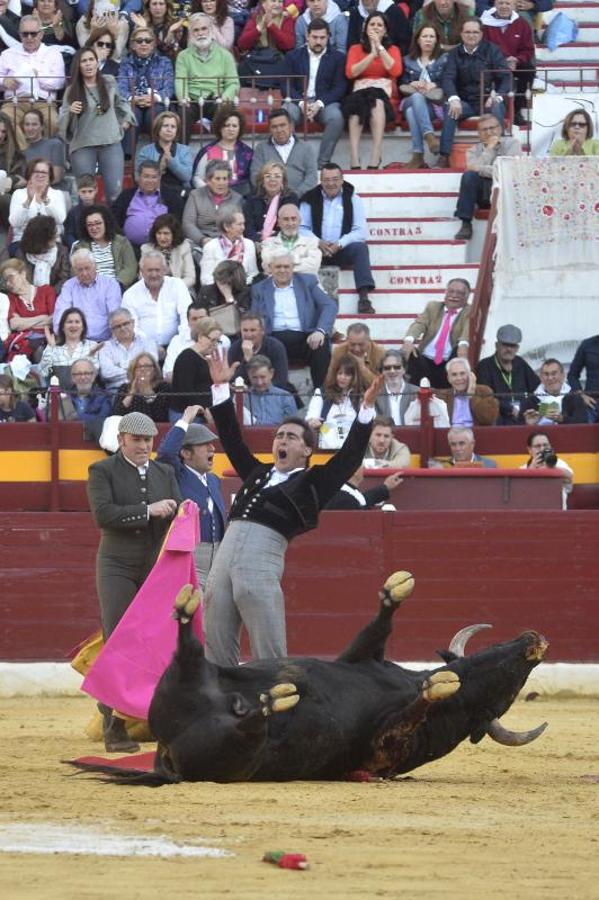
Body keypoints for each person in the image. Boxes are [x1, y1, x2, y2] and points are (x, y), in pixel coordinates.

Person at [202, 350, 383, 666]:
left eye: (290, 437)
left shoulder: (314, 482)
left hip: (263, 555)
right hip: (225, 554)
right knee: (214, 630)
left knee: (267, 645)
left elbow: (349, 458)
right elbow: (231, 440)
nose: (281, 441)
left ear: (307, 450)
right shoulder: (258, 473)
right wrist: (220, 391)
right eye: (279, 436)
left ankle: (275, 698)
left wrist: (365, 410)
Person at [87, 410, 181, 751]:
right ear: (121, 439)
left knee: (154, 643)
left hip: (155, 568)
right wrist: (148, 510)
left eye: (148, 440)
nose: (143, 445)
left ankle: (153, 717)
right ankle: (113, 725)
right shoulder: (102, 470)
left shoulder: (165, 471)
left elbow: (178, 515)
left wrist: (180, 513)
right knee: (118, 641)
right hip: (117, 566)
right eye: (137, 439)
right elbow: (104, 515)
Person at [156, 404, 226, 587]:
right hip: (191, 557)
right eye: (204, 445)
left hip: (218, 557)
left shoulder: (213, 480)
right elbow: (165, 453)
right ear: (186, 453)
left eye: (212, 444)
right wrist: (185, 419)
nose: (212, 449)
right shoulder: (177, 475)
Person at [58, 47, 136, 205]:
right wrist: (71, 112)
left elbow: (122, 103)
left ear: (97, 62)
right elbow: (62, 124)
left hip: (111, 142)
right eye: (83, 61)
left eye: (91, 60)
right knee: (86, 195)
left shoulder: (109, 81)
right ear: (78, 66)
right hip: (83, 145)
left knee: (115, 193)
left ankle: (113, 227)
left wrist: (126, 121)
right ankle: (85, 227)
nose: (88, 64)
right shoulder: (71, 90)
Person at [250, 251, 336, 389]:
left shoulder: (307, 282)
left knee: (321, 344)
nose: (282, 270)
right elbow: (254, 317)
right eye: (278, 267)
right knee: (264, 348)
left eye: (286, 266)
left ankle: (321, 395)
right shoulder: (259, 289)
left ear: (292, 268)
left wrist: (320, 330)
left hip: (305, 337)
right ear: (270, 268)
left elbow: (329, 305)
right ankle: (278, 394)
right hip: (273, 337)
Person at [300, 163, 376, 313]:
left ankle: (364, 298)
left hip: (341, 249)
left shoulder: (353, 199)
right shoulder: (309, 198)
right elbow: (302, 228)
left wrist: (339, 244)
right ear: (320, 181)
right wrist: (318, 242)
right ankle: (304, 300)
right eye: (326, 180)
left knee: (360, 248)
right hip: (317, 249)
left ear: (342, 180)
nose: (331, 183)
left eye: (335, 179)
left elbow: (360, 231)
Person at [437, 18, 509, 168]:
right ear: (462, 34)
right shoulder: (454, 53)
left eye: (475, 32)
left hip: (488, 100)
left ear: (481, 34)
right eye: (468, 32)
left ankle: (501, 154)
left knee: (497, 106)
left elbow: (506, 77)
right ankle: (444, 156)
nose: (471, 35)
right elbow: (448, 78)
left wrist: (498, 95)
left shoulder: (492, 50)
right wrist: (453, 98)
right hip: (465, 102)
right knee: (450, 109)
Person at [282, 18, 347, 170]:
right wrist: (301, 102)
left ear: (328, 37)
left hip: (324, 103)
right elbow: (285, 85)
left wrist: (319, 104)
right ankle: (291, 162)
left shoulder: (338, 58)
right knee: (286, 113)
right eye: (315, 37)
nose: (318, 41)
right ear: (307, 36)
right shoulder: (293, 56)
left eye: (322, 38)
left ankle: (322, 164)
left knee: (336, 117)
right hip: (298, 101)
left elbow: (340, 87)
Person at [343, 12, 403, 171]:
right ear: (365, 28)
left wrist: (380, 47)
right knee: (356, 105)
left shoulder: (393, 49)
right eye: (372, 24)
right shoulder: (355, 49)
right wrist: (371, 55)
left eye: (379, 25)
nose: (376, 28)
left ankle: (376, 155)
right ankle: (354, 157)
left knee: (376, 102)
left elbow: (396, 70)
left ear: (385, 31)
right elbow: (351, 72)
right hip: (360, 92)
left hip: (383, 94)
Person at [174, 13, 240, 142]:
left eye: (204, 28)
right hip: (192, 100)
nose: (200, 33)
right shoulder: (183, 56)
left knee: (225, 114)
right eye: (196, 30)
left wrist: (225, 98)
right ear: (190, 33)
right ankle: (181, 156)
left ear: (211, 30)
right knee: (182, 113)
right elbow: (180, 81)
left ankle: (222, 154)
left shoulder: (225, 55)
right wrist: (183, 98)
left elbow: (233, 83)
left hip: (217, 99)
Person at [454, 114, 521, 239]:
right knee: (469, 176)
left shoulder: (512, 144)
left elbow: (508, 171)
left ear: (500, 128)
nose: (489, 132)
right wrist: (489, 149)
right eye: (484, 130)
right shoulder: (473, 150)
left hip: (505, 191)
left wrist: (481, 169)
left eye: (492, 128)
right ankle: (466, 223)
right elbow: (472, 170)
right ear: (479, 133)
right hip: (484, 193)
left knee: (476, 172)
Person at [0, 14, 65, 139]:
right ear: (20, 35)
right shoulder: (7, 54)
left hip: (45, 102)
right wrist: (3, 81)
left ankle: (42, 156)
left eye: (33, 34)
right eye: (25, 34)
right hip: (14, 102)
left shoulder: (53, 54)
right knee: (5, 122)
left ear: (41, 34)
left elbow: (60, 82)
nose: (29, 38)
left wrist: (38, 76)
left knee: (53, 123)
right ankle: (25, 156)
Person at [402, 278, 471, 389]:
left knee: (458, 352)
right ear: (446, 292)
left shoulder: (469, 311)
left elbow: (467, 329)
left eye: (459, 293)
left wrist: (463, 345)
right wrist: (409, 340)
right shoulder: (433, 307)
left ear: (467, 296)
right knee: (408, 352)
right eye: (451, 291)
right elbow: (420, 323)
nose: (454, 295)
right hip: (425, 359)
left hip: (448, 361)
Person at [122, 250, 192, 354]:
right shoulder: (130, 294)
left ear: (165, 270)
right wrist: (151, 347)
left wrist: (177, 345)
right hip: (142, 349)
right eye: (149, 270)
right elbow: (132, 328)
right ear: (141, 271)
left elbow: (186, 317)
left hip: (178, 345)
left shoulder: (177, 285)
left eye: (157, 270)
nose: (154, 274)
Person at [117, 27, 174, 153]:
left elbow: (169, 88)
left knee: (154, 114)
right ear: (132, 45)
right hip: (133, 102)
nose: (144, 44)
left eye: (148, 41)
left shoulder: (164, 62)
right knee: (132, 114)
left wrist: (155, 98)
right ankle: (127, 158)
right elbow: (121, 88)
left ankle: (159, 154)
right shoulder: (125, 63)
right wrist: (133, 99)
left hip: (156, 102)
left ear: (153, 44)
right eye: (139, 41)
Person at [399, 23, 447, 169]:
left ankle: (418, 155)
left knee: (411, 112)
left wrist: (435, 84)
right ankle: (429, 135)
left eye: (431, 36)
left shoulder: (444, 59)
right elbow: (401, 83)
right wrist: (412, 83)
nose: (428, 40)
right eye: (424, 36)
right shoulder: (407, 60)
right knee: (416, 98)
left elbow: (450, 81)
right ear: (418, 40)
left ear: (436, 40)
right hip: (410, 98)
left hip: (433, 104)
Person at [481, 0, 535, 124]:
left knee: (528, 71)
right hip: (492, 64)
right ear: (495, 5)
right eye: (500, 3)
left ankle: (516, 111)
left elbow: (528, 49)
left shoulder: (522, 24)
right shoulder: (485, 23)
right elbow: (482, 48)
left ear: (514, 5)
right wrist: (500, 62)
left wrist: (517, 59)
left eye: (508, 3)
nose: (504, 6)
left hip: (514, 63)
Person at [53, 249, 122, 342]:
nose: (84, 273)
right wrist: (63, 338)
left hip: (105, 341)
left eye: (87, 268)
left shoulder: (110, 285)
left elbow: (115, 316)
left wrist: (112, 343)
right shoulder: (69, 286)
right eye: (80, 270)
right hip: (77, 341)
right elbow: (60, 314)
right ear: (74, 270)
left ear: (95, 266)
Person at [476, 323, 539, 425]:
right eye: (505, 345)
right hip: (498, 420)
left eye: (512, 346)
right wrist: (510, 409)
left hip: (523, 417)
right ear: (496, 345)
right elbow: (485, 397)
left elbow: (537, 389)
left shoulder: (520, 363)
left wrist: (529, 407)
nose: (509, 349)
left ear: (517, 348)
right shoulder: (484, 366)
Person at [249, 108, 318, 196]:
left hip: (300, 199)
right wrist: (272, 193)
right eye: (274, 127)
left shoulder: (306, 148)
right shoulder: (261, 148)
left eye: (282, 125)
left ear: (291, 126)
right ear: (270, 129)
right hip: (269, 199)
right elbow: (255, 177)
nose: (279, 130)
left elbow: (312, 178)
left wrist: (294, 196)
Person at [306, 352, 367, 449]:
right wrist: (313, 421)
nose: (342, 377)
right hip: (327, 439)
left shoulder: (360, 394)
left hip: (354, 444)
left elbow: (369, 420)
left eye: (347, 374)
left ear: (354, 376)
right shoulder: (321, 392)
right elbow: (310, 418)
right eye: (340, 373)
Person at [72, 204, 138, 290]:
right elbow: (75, 272)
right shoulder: (79, 246)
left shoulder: (122, 242)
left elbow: (130, 268)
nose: (94, 228)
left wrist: (115, 284)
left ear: (106, 223)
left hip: (117, 288)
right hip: (89, 289)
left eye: (98, 223)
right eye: (90, 225)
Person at [191, 104, 253, 196]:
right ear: (220, 127)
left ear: (239, 128)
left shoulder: (247, 153)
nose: (231, 129)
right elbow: (197, 178)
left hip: (240, 199)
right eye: (227, 125)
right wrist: (211, 191)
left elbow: (251, 182)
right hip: (210, 198)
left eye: (234, 126)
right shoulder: (207, 151)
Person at [2, 257, 56, 360]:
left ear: (23, 273)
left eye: (11, 278)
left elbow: (54, 319)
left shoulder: (46, 291)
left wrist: (24, 322)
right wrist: (43, 317)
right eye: (5, 281)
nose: (8, 284)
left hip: (47, 340)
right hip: (24, 344)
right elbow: (14, 324)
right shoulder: (11, 298)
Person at [182, 158, 243, 249]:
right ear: (208, 180)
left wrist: (227, 242)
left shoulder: (236, 198)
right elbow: (188, 224)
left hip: (228, 243)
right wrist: (202, 239)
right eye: (217, 179)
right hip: (200, 242)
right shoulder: (195, 195)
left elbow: (238, 225)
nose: (221, 183)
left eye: (224, 179)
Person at [170, 315, 221, 419]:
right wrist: (205, 411)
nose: (215, 345)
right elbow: (186, 391)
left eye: (218, 341)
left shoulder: (206, 358)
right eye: (213, 340)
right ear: (201, 337)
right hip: (188, 415)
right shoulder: (187, 358)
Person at [98, 308, 159, 394]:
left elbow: (150, 369)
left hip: (144, 390)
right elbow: (106, 373)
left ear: (133, 323)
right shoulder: (105, 347)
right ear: (112, 330)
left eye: (125, 323)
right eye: (117, 326)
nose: (122, 328)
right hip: (116, 392)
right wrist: (137, 370)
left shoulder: (148, 343)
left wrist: (121, 368)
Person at [112, 160, 169, 250]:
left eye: (154, 177)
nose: (150, 181)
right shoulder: (126, 196)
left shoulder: (171, 197)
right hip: (129, 249)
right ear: (138, 177)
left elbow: (176, 224)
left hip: (161, 249)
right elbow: (114, 221)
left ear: (159, 178)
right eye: (146, 176)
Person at [8, 158, 66, 244]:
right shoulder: (18, 193)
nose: (40, 175)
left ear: (50, 176)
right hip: (23, 240)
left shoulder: (57, 194)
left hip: (51, 241)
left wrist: (46, 200)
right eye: (36, 171)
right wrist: (28, 201)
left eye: (44, 172)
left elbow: (60, 220)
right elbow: (15, 223)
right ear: (29, 174)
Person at [237, 0, 295, 86]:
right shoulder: (255, 18)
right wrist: (258, 29)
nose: (277, 4)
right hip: (257, 59)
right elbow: (242, 44)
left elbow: (288, 45)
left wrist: (271, 26)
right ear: (263, 4)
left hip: (278, 60)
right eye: (273, 1)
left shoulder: (287, 19)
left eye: (280, 1)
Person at [39, 306, 101, 383]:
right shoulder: (54, 347)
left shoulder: (91, 345)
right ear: (62, 327)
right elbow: (43, 373)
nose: (73, 325)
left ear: (83, 327)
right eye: (69, 322)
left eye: (77, 322)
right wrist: (50, 347)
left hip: (85, 391)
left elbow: (95, 374)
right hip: (60, 392)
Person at [227, 310, 288, 387]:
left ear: (262, 331)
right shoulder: (234, 348)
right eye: (245, 330)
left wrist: (258, 391)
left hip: (272, 392)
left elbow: (281, 380)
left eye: (253, 330)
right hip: (245, 393)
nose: (248, 334)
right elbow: (234, 382)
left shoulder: (276, 347)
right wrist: (246, 360)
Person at [200, 207, 258, 286]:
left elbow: (254, 273)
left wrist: (240, 284)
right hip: (219, 291)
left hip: (244, 290)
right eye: (239, 224)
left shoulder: (249, 244)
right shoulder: (210, 247)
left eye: (244, 223)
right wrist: (226, 287)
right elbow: (205, 279)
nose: (243, 228)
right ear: (226, 227)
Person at [243, 160, 298, 243]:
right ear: (262, 181)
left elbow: (289, 226)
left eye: (277, 176)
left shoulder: (290, 198)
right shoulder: (252, 197)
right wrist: (257, 240)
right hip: (255, 243)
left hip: (281, 243)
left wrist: (269, 240)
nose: (272, 180)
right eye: (268, 176)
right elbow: (248, 226)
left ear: (283, 181)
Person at [519, 358, 586, 427]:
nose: (550, 378)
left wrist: (562, 419)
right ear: (541, 377)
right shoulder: (530, 401)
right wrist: (529, 424)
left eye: (554, 373)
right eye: (546, 374)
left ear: (563, 375)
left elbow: (583, 425)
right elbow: (518, 428)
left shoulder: (575, 398)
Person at [261, 202, 322, 275]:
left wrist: (280, 264)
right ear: (278, 223)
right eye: (286, 219)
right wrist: (298, 259)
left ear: (299, 221)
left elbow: (313, 266)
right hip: (277, 285)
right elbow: (267, 266)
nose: (290, 223)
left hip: (305, 285)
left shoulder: (312, 242)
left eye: (293, 219)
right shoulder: (268, 243)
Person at [435, 356, 499, 425]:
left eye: (462, 373)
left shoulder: (484, 391)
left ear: (470, 375)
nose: (459, 378)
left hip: (476, 434)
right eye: (454, 375)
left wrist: (471, 392)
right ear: (448, 378)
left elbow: (489, 419)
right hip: (451, 434)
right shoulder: (442, 396)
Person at [141, 212, 196, 291]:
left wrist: (172, 289)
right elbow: (142, 277)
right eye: (159, 233)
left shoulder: (184, 247)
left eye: (166, 233)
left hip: (180, 289)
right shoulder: (146, 249)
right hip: (154, 290)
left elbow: (191, 277)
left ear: (174, 234)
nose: (162, 238)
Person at [16, 215, 71, 293]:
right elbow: (20, 280)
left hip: (54, 296)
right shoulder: (21, 253)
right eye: (53, 233)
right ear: (42, 238)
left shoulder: (62, 251)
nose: (56, 235)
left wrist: (48, 295)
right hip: (28, 295)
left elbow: (64, 279)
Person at [521, 430, 573, 510]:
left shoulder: (559, 463)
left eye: (545, 445)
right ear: (529, 450)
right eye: (538, 446)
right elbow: (520, 492)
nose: (542, 449)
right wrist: (531, 470)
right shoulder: (523, 469)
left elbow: (569, 476)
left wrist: (551, 467)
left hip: (557, 513)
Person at [113, 350, 171, 421]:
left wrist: (147, 391)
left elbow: (160, 417)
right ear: (133, 371)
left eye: (147, 366)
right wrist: (131, 393)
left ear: (155, 370)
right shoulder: (124, 388)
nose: (143, 369)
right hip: (128, 429)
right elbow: (115, 416)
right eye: (139, 366)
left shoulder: (163, 387)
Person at [53, 356, 112, 423]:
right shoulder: (64, 396)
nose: (83, 377)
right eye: (79, 374)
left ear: (93, 376)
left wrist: (75, 417)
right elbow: (56, 420)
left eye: (87, 373)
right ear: (72, 377)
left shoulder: (103, 396)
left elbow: (102, 420)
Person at [197, 258, 251, 329]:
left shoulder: (245, 292)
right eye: (221, 282)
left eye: (227, 283)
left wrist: (229, 298)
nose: (223, 286)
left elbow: (242, 320)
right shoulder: (206, 292)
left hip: (237, 334)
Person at [243, 353, 297, 424]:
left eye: (263, 377)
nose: (259, 382)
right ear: (248, 375)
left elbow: (292, 426)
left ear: (271, 373)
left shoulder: (285, 397)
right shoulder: (244, 397)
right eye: (254, 378)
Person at [329, 322, 386, 387]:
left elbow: (383, 386)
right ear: (347, 340)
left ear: (369, 341)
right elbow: (330, 381)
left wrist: (362, 367)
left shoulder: (380, 353)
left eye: (361, 345)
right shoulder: (339, 351)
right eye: (352, 344)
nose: (357, 349)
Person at [347, 0, 411, 56]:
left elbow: (404, 43)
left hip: (390, 58)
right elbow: (352, 43)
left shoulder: (395, 12)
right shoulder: (356, 14)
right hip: (361, 60)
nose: (370, 1)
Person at [325, 465, 404, 509]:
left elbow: (363, 500)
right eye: (361, 464)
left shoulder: (344, 493)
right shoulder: (343, 498)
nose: (364, 468)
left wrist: (385, 487)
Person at [22, 108, 65, 186]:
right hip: (30, 191)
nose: (30, 128)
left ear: (42, 127)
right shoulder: (23, 150)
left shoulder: (54, 144)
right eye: (27, 124)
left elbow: (56, 177)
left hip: (53, 191)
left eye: (34, 124)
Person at [374, 348, 419, 424]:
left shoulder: (417, 392)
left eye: (397, 367)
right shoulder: (375, 394)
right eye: (387, 368)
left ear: (404, 369)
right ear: (382, 371)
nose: (392, 371)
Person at [0, 111, 25, 226]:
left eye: (3, 131)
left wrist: (11, 179)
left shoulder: (14, 154)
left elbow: (22, 179)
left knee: (6, 199)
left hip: (4, 195)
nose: (0, 135)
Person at [431, 424, 497, 467]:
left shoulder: (488, 465)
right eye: (453, 444)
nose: (457, 448)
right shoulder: (443, 467)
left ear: (472, 444)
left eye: (462, 443)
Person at [568, 333, 599, 423]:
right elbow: (572, 375)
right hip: (592, 402)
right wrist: (581, 395)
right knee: (582, 434)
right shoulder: (588, 344)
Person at [63, 174, 98, 250]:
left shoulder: (102, 210)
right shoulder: (73, 213)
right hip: (79, 249)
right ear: (78, 192)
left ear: (96, 190)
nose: (87, 195)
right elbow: (69, 234)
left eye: (90, 191)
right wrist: (76, 246)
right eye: (83, 192)